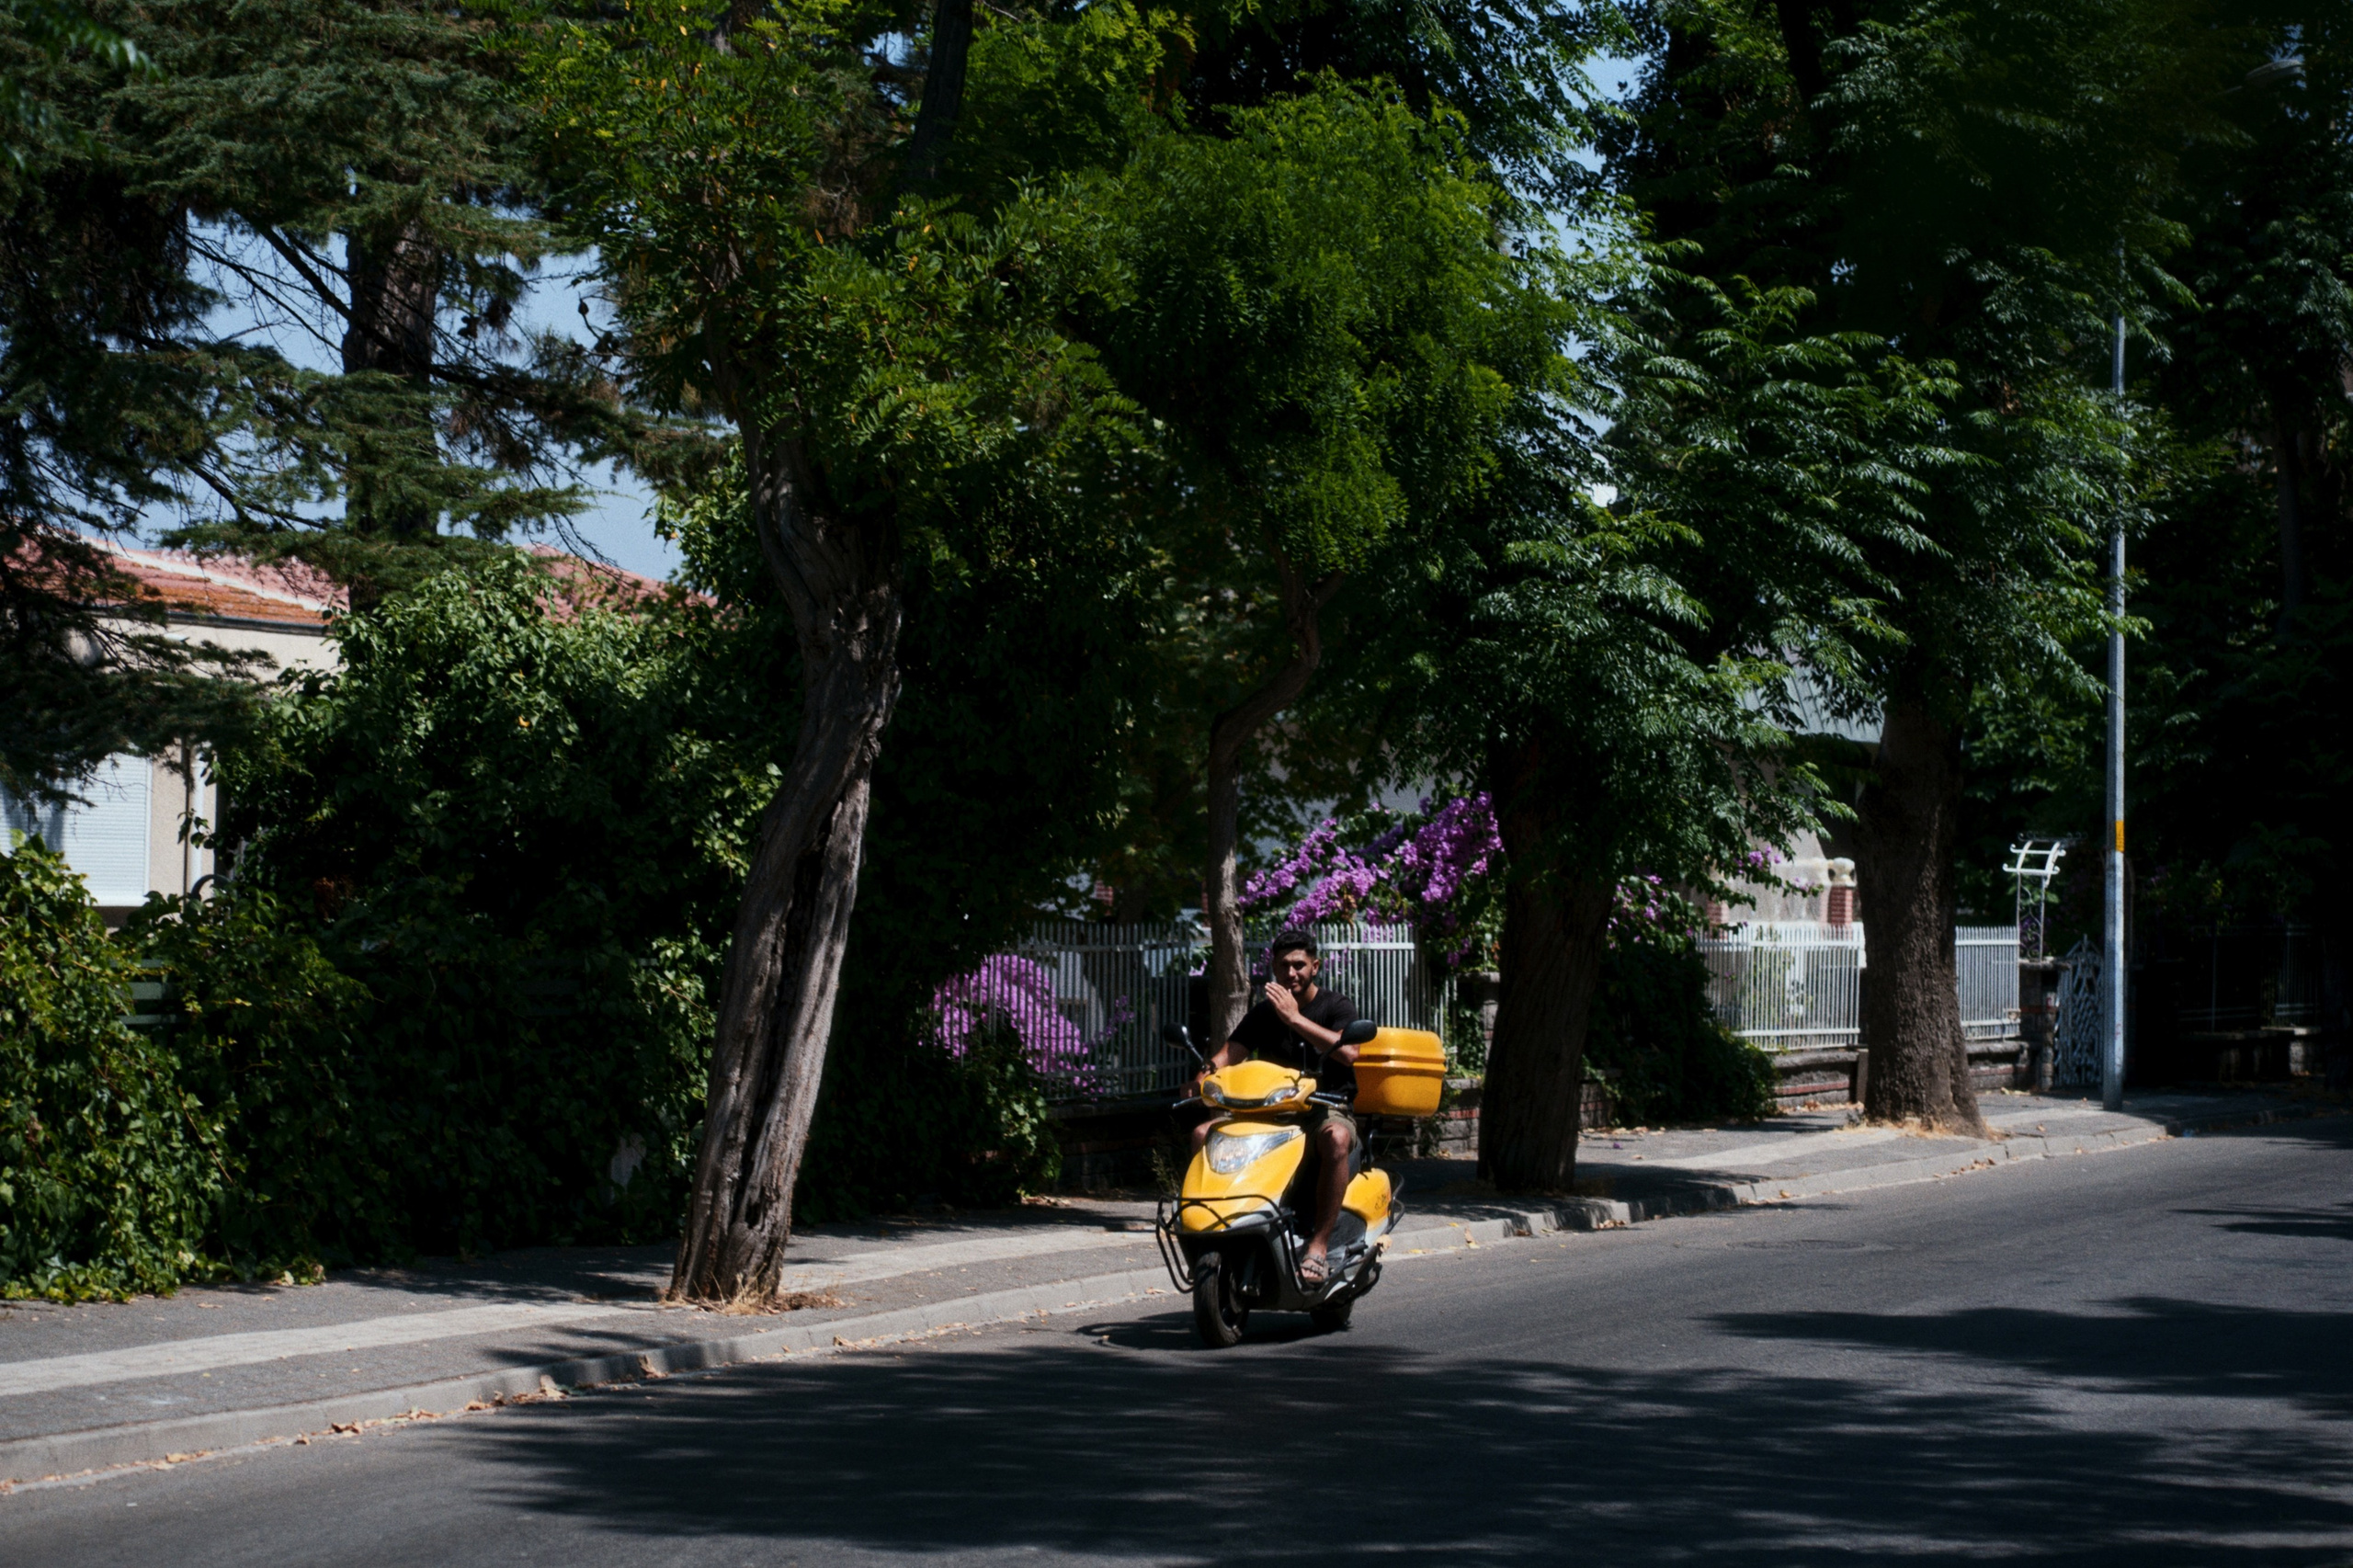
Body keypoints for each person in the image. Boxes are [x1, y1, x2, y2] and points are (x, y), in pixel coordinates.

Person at [1194, 929, 1360, 1283]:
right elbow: (1229, 1053)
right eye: (1283, 965)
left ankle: (1318, 1246)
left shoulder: (1336, 1006)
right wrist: (1203, 1075)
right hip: (1269, 1113)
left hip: (1323, 1109)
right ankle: (1212, 1228)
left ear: (1315, 967)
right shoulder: (1263, 1013)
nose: (1291, 973)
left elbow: (1348, 1052)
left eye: (1299, 965)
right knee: (1203, 1134)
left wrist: (1295, 1019)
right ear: (1273, 968)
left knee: (1336, 1139)